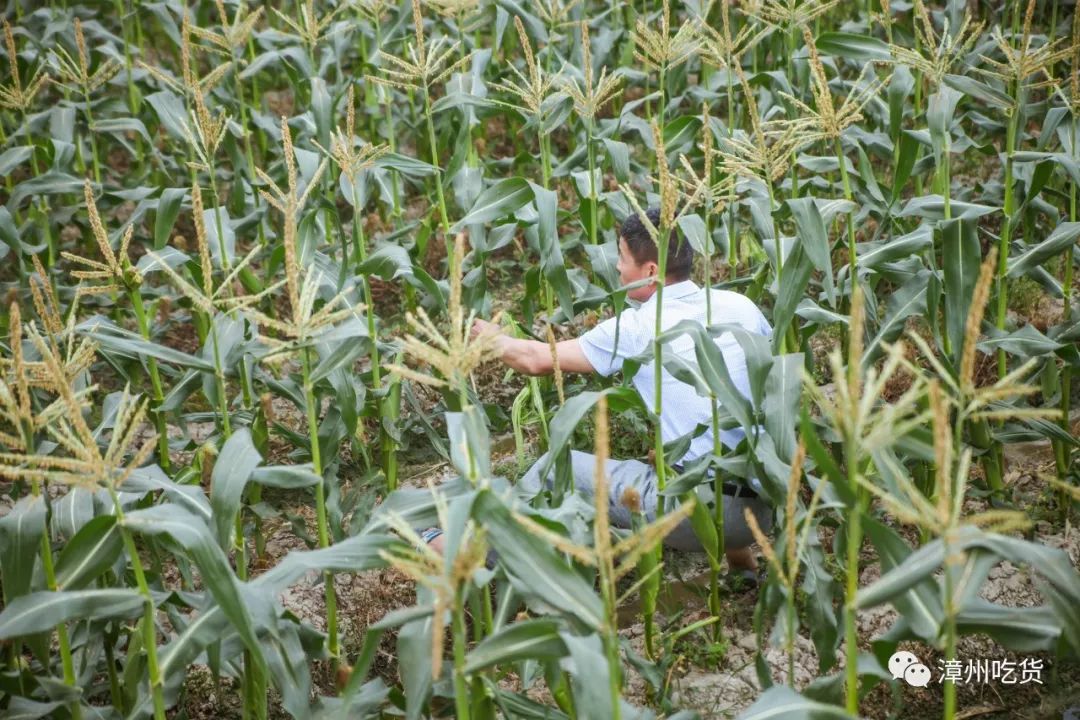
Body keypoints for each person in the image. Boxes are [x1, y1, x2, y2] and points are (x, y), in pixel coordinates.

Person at [424, 207, 774, 584]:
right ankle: (743, 571)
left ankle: (468, 553)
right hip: (764, 510)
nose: (618, 269)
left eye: (622, 258)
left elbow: (537, 360)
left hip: (702, 516)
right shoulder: (741, 307)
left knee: (556, 469)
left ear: (651, 272)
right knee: (693, 454)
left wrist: (492, 339)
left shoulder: (641, 325)